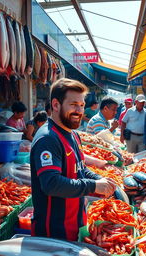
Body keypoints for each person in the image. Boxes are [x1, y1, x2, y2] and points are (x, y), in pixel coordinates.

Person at [30, 78, 116, 240]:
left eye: (82, 105)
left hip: (74, 227)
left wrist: (100, 179)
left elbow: (80, 169)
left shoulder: (73, 135)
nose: (79, 110)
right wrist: (94, 186)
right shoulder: (48, 138)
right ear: (56, 105)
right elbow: (51, 184)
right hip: (54, 233)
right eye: (73, 104)